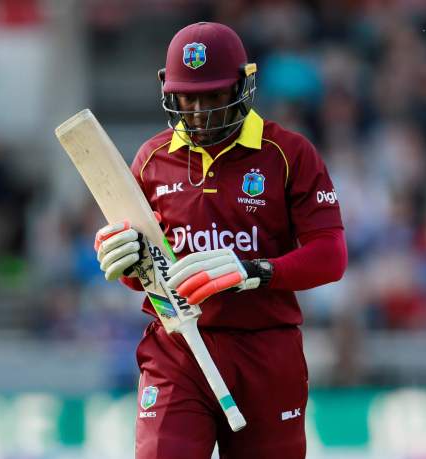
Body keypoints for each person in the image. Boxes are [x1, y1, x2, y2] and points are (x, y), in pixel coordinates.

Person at [94, 22, 347, 459]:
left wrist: (254, 272)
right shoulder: (151, 160)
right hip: (178, 350)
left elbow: (331, 256)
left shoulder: (288, 154)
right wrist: (124, 261)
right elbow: (148, 276)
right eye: (187, 97)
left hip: (266, 351)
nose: (197, 111)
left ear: (242, 84)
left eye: (211, 96)